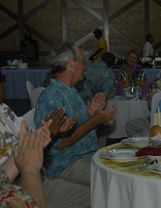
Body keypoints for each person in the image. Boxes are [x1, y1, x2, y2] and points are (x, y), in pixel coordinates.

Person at [0, 107, 83, 208]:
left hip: (21, 197)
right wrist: (29, 169)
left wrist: (28, 147)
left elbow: (3, 176)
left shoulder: (4, 110)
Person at [34, 42, 116, 186]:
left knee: (123, 167)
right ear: (71, 65)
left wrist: (91, 114)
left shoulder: (70, 91)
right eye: (83, 62)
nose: (86, 67)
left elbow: (78, 128)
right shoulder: (52, 97)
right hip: (65, 164)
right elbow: (60, 145)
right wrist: (94, 121)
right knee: (113, 178)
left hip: (85, 156)